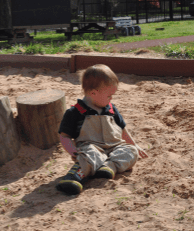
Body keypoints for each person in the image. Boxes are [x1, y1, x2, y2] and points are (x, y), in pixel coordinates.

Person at [56, 64, 148, 195]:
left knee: (131, 151)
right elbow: (64, 136)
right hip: (91, 147)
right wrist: (72, 151)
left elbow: (123, 130)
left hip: (114, 147)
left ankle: (109, 167)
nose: (111, 99)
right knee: (89, 155)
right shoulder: (75, 112)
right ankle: (74, 177)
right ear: (93, 93)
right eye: (109, 96)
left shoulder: (111, 109)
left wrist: (135, 145)